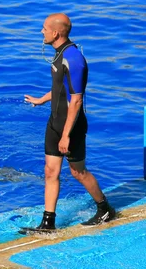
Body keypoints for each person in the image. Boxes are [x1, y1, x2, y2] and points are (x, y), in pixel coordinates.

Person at [24, 13, 115, 231]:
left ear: (56, 33)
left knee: (77, 172)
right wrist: (41, 100)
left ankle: (105, 209)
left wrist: (66, 134)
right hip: (54, 122)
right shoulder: (59, 54)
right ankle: (48, 222)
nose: (41, 31)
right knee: (50, 171)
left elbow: (76, 100)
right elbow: (60, 89)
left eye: (44, 28)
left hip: (71, 127)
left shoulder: (73, 59)